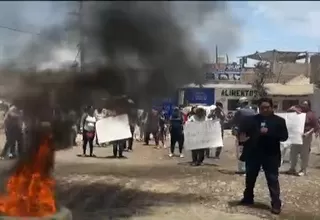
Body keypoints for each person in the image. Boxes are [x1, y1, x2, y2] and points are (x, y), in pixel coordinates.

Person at [238, 97, 288, 215]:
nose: (264, 110)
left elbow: (284, 137)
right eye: (262, 108)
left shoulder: (279, 121)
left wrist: (269, 133)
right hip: (253, 154)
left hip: (271, 155)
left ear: (272, 107)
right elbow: (243, 133)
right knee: (250, 178)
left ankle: (276, 204)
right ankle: (248, 198)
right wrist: (240, 136)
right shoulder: (251, 120)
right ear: (258, 108)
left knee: (272, 179)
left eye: (267, 107)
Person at [287, 100, 319, 176]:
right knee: (293, 152)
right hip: (296, 135)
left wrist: (308, 133)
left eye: (306, 104)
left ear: (309, 105)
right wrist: (292, 109)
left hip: (305, 136)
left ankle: (303, 169)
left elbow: (315, 126)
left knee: (304, 153)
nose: (304, 106)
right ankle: (292, 168)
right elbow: (288, 114)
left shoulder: (311, 114)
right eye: (303, 104)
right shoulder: (298, 112)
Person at [232, 97, 256, 174]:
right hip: (252, 134)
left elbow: (234, 122)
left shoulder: (239, 111)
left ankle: (242, 169)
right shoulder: (253, 111)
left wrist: (234, 130)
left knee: (241, 150)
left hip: (242, 133)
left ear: (241, 103)